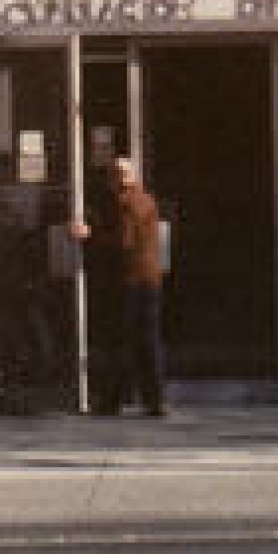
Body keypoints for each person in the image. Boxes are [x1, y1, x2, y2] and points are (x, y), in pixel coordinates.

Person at [74, 157, 165, 417]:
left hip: (131, 280)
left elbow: (122, 242)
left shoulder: (128, 203)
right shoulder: (144, 200)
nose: (114, 179)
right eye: (113, 173)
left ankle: (114, 400)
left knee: (121, 341)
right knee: (144, 340)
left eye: (120, 173)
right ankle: (152, 400)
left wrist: (89, 236)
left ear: (130, 176)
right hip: (146, 279)